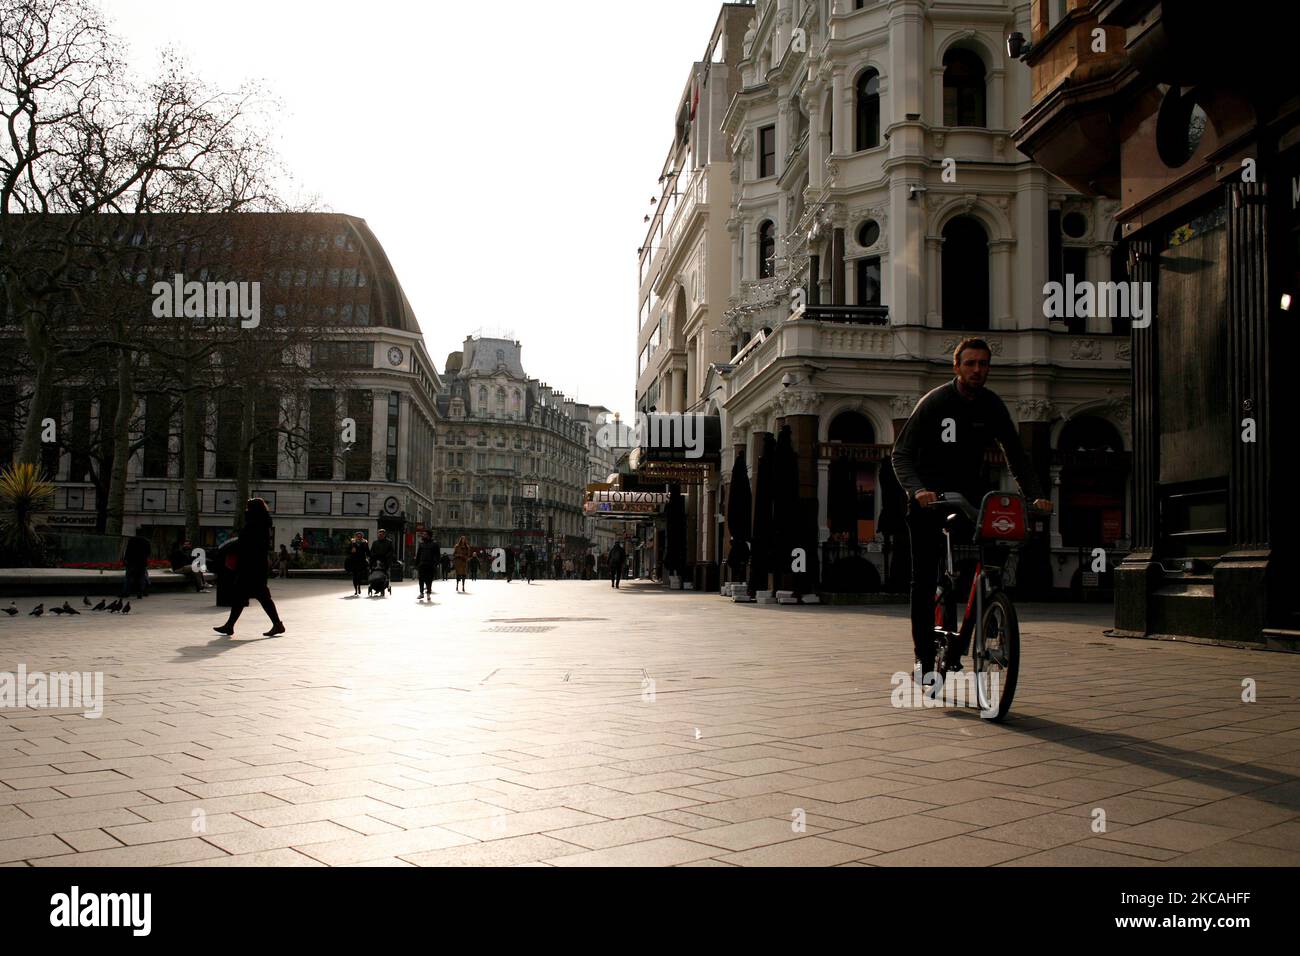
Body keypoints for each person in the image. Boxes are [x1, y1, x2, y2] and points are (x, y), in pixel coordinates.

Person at [890, 337, 1053, 684]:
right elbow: (900, 454)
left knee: (988, 559)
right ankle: (924, 658)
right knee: (923, 581)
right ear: (957, 367)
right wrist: (917, 489)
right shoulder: (935, 402)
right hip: (929, 501)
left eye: (983, 364)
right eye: (970, 364)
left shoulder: (992, 405)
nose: (977, 370)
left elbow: (1016, 455)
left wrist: (1036, 495)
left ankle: (986, 613)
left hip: (972, 501)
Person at [214, 498, 285, 637]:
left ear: (253, 510)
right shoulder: (263, 524)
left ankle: (277, 624)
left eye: (248, 508)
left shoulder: (253, 525)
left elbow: (245, 544)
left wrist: (231, 549)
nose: (246, 510)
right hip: (257, 565)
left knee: (253, 596)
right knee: (247, 596)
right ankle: (230, 625)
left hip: (250, 566)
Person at [120, 531, 151, 599]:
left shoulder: (132, 540)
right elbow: (148, 553)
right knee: (141, 578)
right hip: (142, 563)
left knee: (128, 577)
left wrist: (125, 560)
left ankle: (126, 592)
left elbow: (128, 551)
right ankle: (140, 592)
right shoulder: (146, 541)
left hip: (132, 562)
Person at [414, 530, 439, 600]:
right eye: (423, 534)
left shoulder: (434, 544)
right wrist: (416, 564)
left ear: (429, 535)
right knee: (421, 579)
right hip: (422, 564)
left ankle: (428, 593)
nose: (423, 535)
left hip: (430, 565)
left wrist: (435, 563)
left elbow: (437, 555)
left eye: (425, 534)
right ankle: (421, 593)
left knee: (429, 580)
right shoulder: (421, 544)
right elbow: (418, 555)